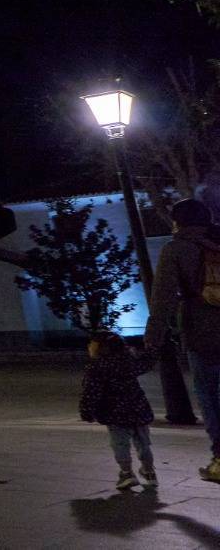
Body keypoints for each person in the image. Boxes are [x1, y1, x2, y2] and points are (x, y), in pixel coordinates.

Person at [146, 197, 220, 482]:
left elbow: (163, 297)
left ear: (178, 222)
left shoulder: (176, 249)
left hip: (203, 333)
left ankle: (219, 457)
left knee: (210, 395)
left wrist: (154, 334)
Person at [79, 332, 160, 490]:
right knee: (143, 443)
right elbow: (148, 361)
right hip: (138, 408)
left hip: (114, 412)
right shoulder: (130, 360)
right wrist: (152, 348)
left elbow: (91, 392)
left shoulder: (97, 367)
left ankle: (127, 473)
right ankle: (149, 472)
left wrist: (86, 411)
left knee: (120, 444)